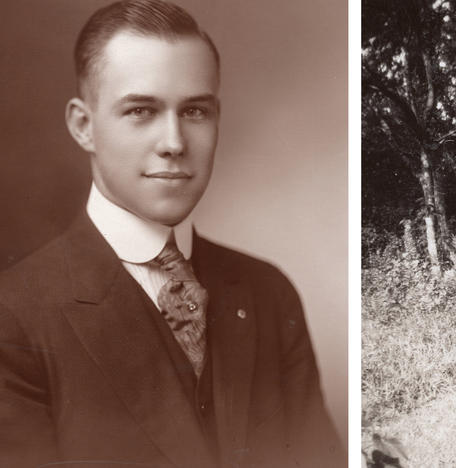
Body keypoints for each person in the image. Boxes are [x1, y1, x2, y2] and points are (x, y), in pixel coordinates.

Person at [0, 1, 343, 467]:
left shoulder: (268, 292)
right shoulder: (15, 316)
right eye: (141, 110)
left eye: (195, 111)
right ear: (84, 126)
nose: (174, 143)